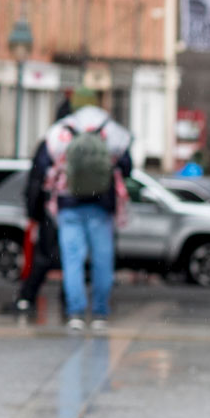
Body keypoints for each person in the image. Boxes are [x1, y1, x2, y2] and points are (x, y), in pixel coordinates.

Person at [44, 105, 133, 331]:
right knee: (102, 261)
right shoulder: (111, 130)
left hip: (68, 205)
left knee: (72, 261)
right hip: (101, 206)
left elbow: (44, 165)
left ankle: (75, 312)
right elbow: (127, 166)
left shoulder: (63, 130)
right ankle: (100, 312)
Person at [11, 139, 60, 316]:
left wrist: (33, 212)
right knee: (72, 259)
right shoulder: (90, 134)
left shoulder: (53, 141)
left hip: (52, 208)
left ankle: (27, 297)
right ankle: (71, 303)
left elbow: (36, 179)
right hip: (77, 207)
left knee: (43, 255)